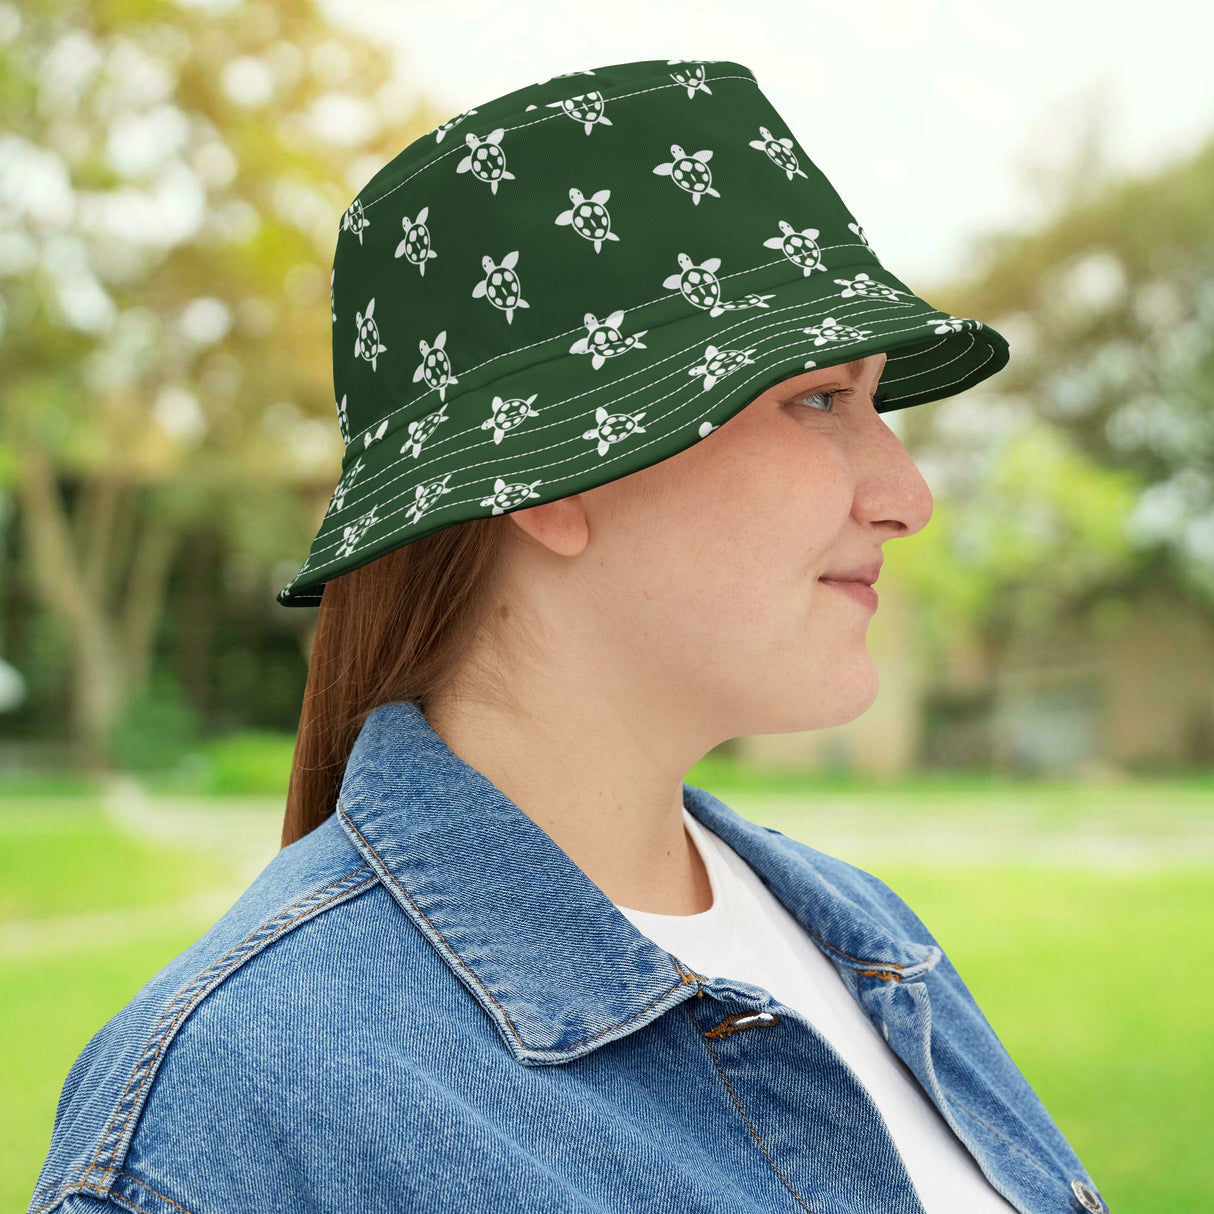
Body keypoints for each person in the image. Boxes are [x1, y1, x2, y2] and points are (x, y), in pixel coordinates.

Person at [27, 57, 1110, 1214]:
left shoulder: (866, 936)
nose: (906, 494)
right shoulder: (233, 1112)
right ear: (547, 476)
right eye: (816, 397)